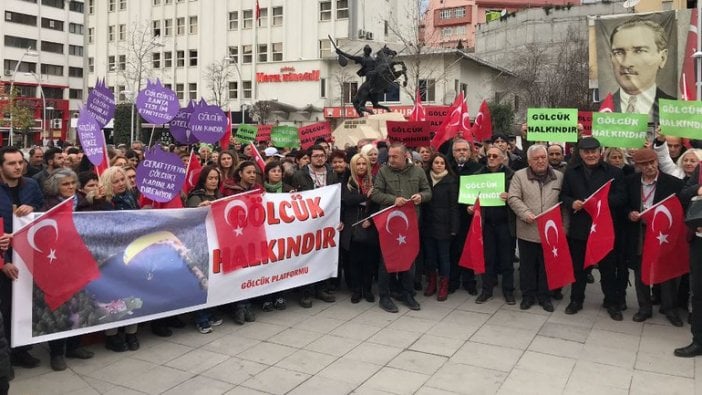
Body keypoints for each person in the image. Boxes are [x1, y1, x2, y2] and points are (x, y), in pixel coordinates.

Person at [559, 137, 627, 320]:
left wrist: (599, 203)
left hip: (603, 230)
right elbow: (563, 195)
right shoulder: (571, 172)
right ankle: (576, 300)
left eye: (594, 151)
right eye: (586, 152)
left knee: (607, 269)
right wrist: (572, 202)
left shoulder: (614, 172)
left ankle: (611, 303)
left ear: (600, 152)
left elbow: (622, 198)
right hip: (580, 228)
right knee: (579, 268)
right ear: (580, 154)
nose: (590, 155)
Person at [40, 169, 96, 371]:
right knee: (59, 308)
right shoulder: (48, 206)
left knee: (79, 305)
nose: (71, 187)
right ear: (56, 187)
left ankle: (75, 345)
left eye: (73, 183)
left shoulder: (84, 202)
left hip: (80, 260)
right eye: (65, 184)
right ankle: (57, 352)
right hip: (58, 264)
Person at [623, 148, 684, 326]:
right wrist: (629, 214)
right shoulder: (630, 182)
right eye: (644, 164)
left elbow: (679, 208)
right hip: (640, 231)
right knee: (640, 267)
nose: (649, 167)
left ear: (657, 161)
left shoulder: (673, 183)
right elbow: (623, 204)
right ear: (638, 166)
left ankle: (670, 308)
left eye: (652, 162)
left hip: (662, 233)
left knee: (665, 268)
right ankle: (644, 308)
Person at [371, 142, 432, 313]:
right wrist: (393, 199)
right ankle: (385, 296)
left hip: (409, 225)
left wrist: (421, 196)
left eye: (394, 156)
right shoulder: (383, 171)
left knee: (409, 260)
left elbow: (428, 192)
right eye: (389, 156)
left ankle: (408, 293)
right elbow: (375, 194)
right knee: (386, 261)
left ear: (405, 156)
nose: (390, 159)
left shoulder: (418, 171)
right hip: (389, 225)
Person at [0, 147, 43, 370]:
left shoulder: (32, 185)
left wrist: (33, 207)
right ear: (1, 166)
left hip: (27, 256)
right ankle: (5, 357)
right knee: (5, 308)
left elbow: (44, 211)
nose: (17, 167)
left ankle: (21, 351)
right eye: (11, 163)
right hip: (4, 260)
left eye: (20, 162)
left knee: (25, 304)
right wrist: (3, 261)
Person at [508, 144, 564, 312]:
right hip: (528, 230)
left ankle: (544, 297)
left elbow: (564, 205)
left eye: (543, 157)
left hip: (551, 232)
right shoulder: (519, 176)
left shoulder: (559, 177)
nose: (540, 161)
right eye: (536, 158)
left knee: (547, 266)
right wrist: (525, 213)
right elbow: (513, 197)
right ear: (529, 161)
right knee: (527, 266)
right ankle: (528, 296)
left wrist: (564, 228)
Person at [290, 145, 338, 307]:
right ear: (309, 157)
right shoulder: (299, 175)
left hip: (327, 222)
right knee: (306, 256)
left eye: (322, 155)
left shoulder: (333, 173)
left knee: (323, 255)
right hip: (306, 223)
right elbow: (290, 193)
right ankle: (306, 292)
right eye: (316, 155)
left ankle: (322, 288)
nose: (319, 158)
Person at [100, 166, 141, 351]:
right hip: (113, 254)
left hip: (132, 251)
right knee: (115, 294)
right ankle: (113, 334)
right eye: (115, 181)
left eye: (122, 179)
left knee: (134, 290)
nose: (120, 184)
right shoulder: (105, 202)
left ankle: (132, 332)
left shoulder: (132, 197)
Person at [609, 17, 675, 122]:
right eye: (619, 52)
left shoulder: (675, 110)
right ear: (611, 58)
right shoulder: (602, 109)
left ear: (662, 58)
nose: (626, 63)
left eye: (639, 51)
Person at [185, 165, 224, 334]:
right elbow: (189, 217)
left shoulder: (220, 196)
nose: (214, 181)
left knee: (215, 279)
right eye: (211, 178)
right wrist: (199, 208)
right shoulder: (195, 196)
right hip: (200, 244)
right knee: (202, 281)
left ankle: (211, 311)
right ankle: (201, 318)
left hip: (216, 243)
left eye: (216, 178)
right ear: (204, 179)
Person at [475, 147, 516, 305]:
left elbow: (519, 196)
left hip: (505, 223)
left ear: (502, 158)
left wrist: (510, 197)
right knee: (488, 258)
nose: (491, 158)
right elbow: (471, 197)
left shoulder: (512, 175)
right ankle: (486, 290)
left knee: (507, 259)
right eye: (489, 155)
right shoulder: (478, 176)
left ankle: (508, 291)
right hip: (486, 224)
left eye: (495, 156)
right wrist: (471, 206)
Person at [341, 153, 379, 303]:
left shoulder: (374, 181)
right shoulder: (348, 181)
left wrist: (371, 219)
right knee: (354, 262)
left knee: (369, 261)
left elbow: (378, 203)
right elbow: (348, 200)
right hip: (352, 227)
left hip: (369, 226)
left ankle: (367, 289)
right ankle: (356, 290)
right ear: (353, 166)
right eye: (358, 164)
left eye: (364, 164)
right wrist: (365, 196)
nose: (361, 167)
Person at [421, 153, 458, 301]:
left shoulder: (450, 180)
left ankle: (444, 285)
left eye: (442, 163)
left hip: (444, 225)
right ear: (432, 164)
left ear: (445, 165)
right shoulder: (425, 178)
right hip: (428, 225)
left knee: (444, 257)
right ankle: (431, 283)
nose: (439, 165)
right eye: (436, 162)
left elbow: (453, 206)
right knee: (430, 257)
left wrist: (454, 227)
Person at [449, 139, 482, 295]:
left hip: (469, 217)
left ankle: (470, 282)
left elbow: (484, 192)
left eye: (464, 149)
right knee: (453, 250)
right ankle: (453, 280)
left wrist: (475, 206)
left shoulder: (478, 169)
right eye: (458, 150)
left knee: (468, 249)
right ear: (453, 153)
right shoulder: (448, 168)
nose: (461, 152)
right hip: (452, 217)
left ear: (470, 152)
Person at [676, 162, 702, 357]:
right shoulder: (701, 168)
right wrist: (699, 188)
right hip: (699, 241)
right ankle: (698, 340)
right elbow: (684, 194)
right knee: (699, 293)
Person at [261, 161, 294, 311]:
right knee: (266, 267)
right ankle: (266, 298)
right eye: (273, 171)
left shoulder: (289, 191)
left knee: (280, 265)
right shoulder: (259, 191)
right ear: (267, 173)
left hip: (283, 234)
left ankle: (279, 296)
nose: (276, 173)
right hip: (265, 234)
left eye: (279, 171)